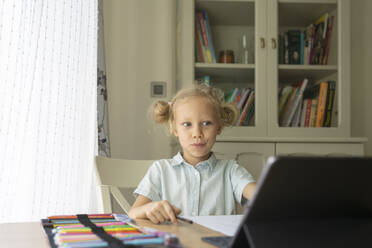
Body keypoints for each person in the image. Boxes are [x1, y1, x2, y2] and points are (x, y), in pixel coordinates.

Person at [128, 84, 257, 224]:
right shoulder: (160, 170)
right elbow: (134, 213)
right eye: (187, 124)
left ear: (219, 127)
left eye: (207, 123)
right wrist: (149, 208)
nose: (197, 134)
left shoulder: (231, 171)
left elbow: (261, 197)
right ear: (174, 129)